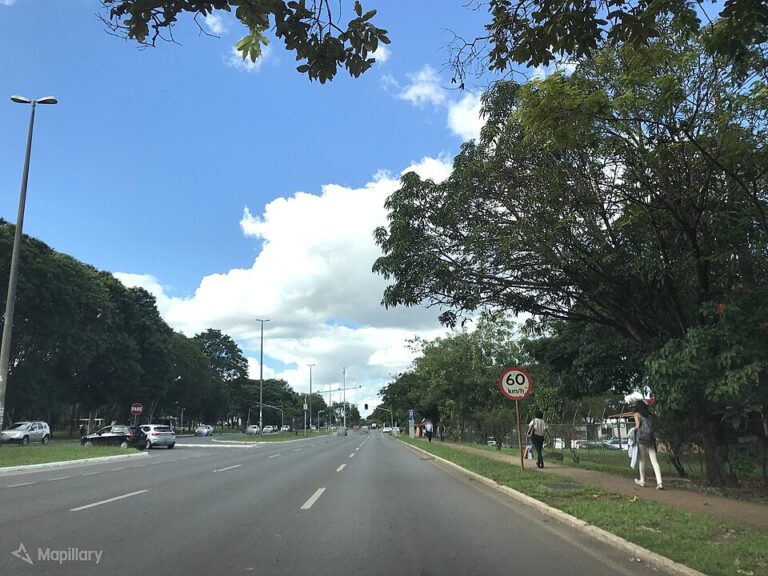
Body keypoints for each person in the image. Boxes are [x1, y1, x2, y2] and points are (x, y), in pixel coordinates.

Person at [632, 399, 663, 490]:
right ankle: (660, 483)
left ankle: (642, 480)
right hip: (650, 439)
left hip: (641, 439)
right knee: (654, 461)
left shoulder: (637, 414)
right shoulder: (650, 416)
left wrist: (632, 431)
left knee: (642, 460)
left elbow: (637, 426)